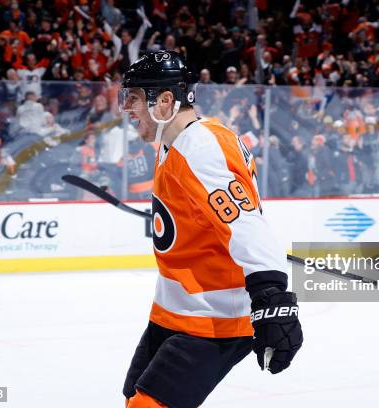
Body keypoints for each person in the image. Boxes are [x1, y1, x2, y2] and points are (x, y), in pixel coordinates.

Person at [118, 51, 302, 407]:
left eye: (135, 98)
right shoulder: (177, 139)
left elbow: (246, 224)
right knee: (133, 398)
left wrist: (273, 298)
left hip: (214, 314)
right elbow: (207, 212)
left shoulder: (198, 147)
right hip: (177, 306)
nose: (128, 109)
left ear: (166, 101)